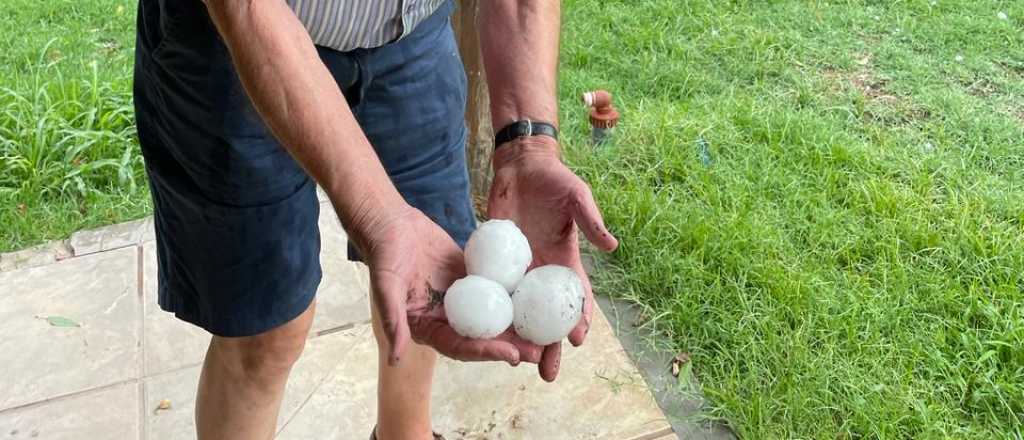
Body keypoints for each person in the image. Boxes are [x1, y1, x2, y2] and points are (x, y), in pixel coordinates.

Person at [133, 0, 619, 438]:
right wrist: (377, 215)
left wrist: (527, 145)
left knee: (436, 275)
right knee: (263, 327)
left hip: (410, 36)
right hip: (232, 36)